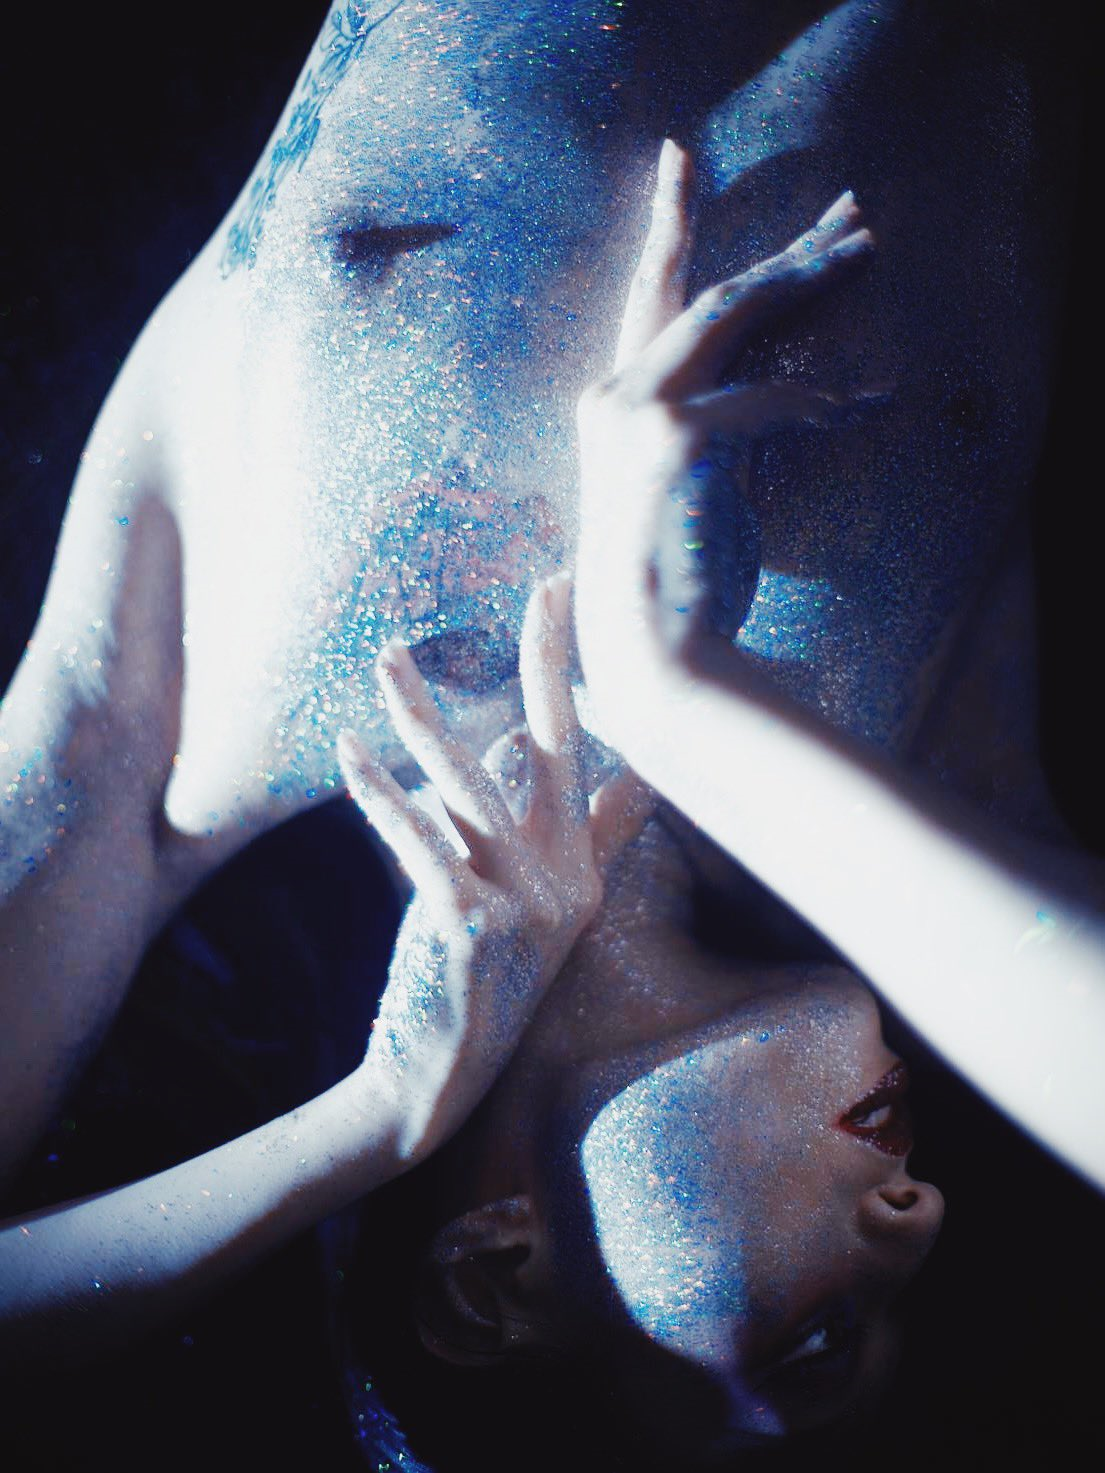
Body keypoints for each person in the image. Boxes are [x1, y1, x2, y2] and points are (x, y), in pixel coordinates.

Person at [0, 1, 1096, 1465]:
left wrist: (386, 1114)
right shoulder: (935, 789)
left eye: (820, 1341)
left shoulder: (163, 754)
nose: (922, 1219)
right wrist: (665, 693)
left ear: (496, 1281)